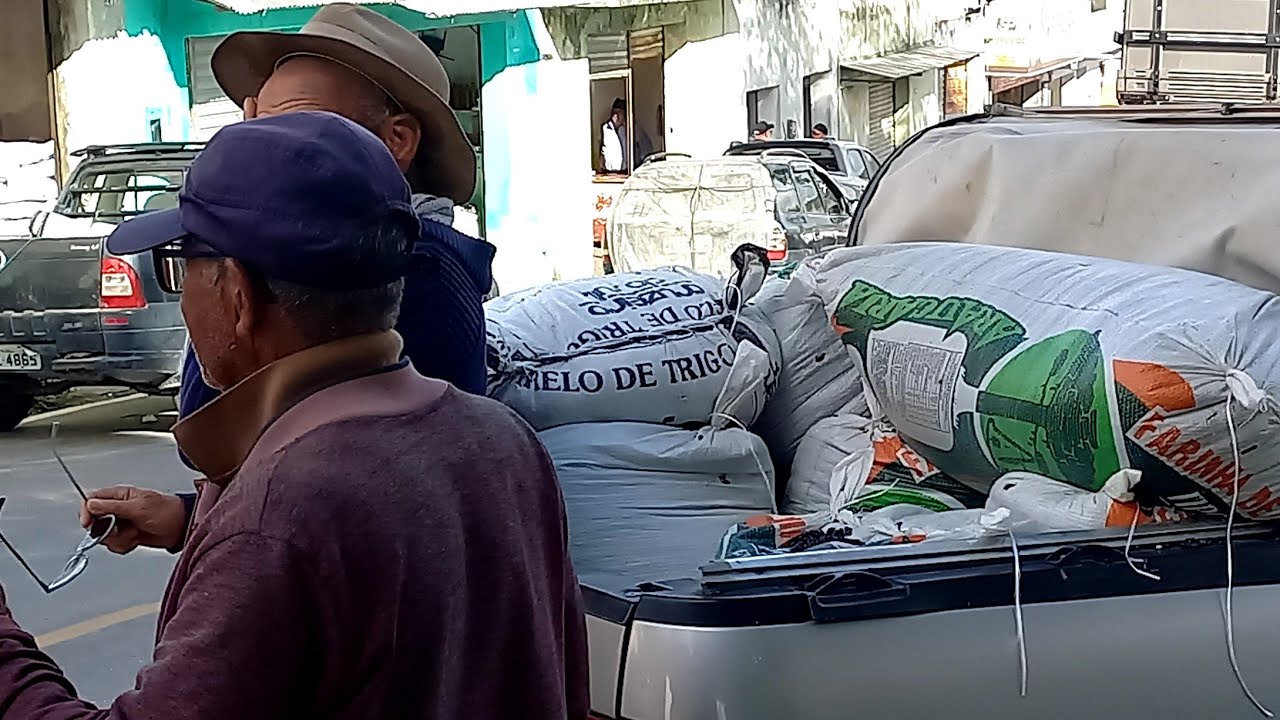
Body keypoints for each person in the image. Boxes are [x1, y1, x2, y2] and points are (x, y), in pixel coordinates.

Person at [0, 111, 589, 718]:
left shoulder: (280, 516)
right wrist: (194, 520)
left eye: (181, 266)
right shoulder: (503, 440)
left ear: (236, 294)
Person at [93, 3, 501, 556]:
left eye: (296, 127)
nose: (261, 150)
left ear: (397, 141)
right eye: (256, 126)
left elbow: (227, 440)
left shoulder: (410, 269)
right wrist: (188, 518)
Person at [601, 97, 627, 172]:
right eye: (614, 113)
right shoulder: (605, 129)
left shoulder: (627, 130)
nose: (615, 116)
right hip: (609, 173)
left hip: (625, 172)